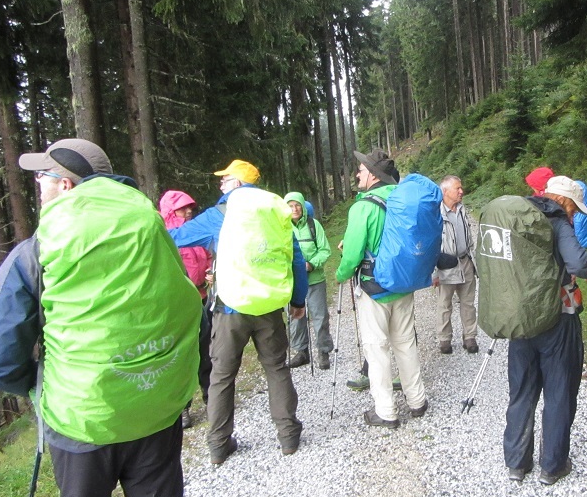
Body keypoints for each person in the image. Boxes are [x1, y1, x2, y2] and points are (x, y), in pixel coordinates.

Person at [0, 139, 201, 497]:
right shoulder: (150, 229)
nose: (38, 184)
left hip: (81, 418)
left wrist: (33, 387)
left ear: (67, 186)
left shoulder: (35, 252)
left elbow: (4, 352)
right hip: (155, 405)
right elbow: (186, 304)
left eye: (44, 177)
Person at [169, 159, 308, 464]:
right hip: (269, 307)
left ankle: (219, 444)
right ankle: (288, 437)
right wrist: (297, 301)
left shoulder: (221, 213)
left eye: (226, 179)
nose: (220, 184)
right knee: (276, 369)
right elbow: (295, 258)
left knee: (221, 375)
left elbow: (175, 238)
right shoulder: (275, 210)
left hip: (230, 307)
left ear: (239, 183)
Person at [504, 176, 587, 485]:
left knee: (522, 390)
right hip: (557, 320)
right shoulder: (559, 223)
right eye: (575, 208)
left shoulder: (520, 218)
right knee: (559, 391)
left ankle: (517, 463)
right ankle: (552, 464)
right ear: (566, 202)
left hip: (521, 320)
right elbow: (577, 262)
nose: (575, 215)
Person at [336, 149, 427, 428]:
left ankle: (386, 411)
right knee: (405, 343)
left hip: (375, 288)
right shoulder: (402, 200)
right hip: (403, 283)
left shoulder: (363, 207)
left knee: (377, 349)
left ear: (373, 175)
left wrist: (341, 274)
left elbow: (351, 254)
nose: (357, 174)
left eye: (361, 170)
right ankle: (417, 401)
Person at [159, 190, 213, 428]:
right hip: (177, 305)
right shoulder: (165, 236)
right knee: (181, 356)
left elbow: (207, 257)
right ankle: (183, 409)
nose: (189, 211)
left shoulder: (195, 230)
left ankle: (212, 399)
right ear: (171, 211)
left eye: (190, 206)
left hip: (201, 298)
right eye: (182, 208)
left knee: (206, 351)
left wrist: (212, 271)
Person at [284, 191, 333, 370]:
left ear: (303, 207)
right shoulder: (282, 227)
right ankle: (301, 352)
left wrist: (311, 264)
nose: (295, 209)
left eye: (297, 205)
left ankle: (323, 351)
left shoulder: (314, 225)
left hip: (314, 280)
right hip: (293, 282)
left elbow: (325, 250)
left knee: (320, 316)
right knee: (296, 317)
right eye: (290, 206)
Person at [433, 175, 478, 354]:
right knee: (444, 304)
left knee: (468, 302)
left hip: (465, 261)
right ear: (445, 191)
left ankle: (470, 337)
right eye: (457, 189)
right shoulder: (435, 213)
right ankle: (444, 340)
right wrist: (434, 272)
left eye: (461, 188)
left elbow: (469, 238)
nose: (461, 191)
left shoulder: (462, 209)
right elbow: (431, 244)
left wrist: (474, 260)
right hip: (446, 265)